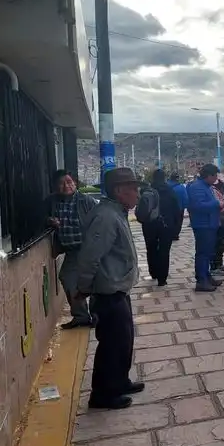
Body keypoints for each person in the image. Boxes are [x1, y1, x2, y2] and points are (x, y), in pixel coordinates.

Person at [77, 168, 143, 410]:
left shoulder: (117, 212)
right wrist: (84, 287)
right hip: (108, 291)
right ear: (119, 191)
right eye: (133, 189)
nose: (138, 194)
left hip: (119, 288)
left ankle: (120, 381)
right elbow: (90, 256)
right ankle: (103, 394)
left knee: (124, 340)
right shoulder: (106, 216)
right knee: (112, 343)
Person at [45, 169, 97, 329]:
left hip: (88, 249)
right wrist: (50, 221)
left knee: (95, 281)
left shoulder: (86, 201)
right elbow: (40, 217)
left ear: (75, 183)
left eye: (69, 182)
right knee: (67, 278)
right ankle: (81, 316)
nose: (66, 185)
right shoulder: (52, 201)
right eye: (61, 183)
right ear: (55, 186)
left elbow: (99, 220)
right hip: (71, 251)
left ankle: (97, 316)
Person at [187, 164, 224, 292]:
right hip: (203, 225)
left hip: (210, 224)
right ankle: (201, 280)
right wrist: (217, 203)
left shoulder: (207, 187)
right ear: (209, 175)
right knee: (203, 254)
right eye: (215, 176)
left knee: (208, 253)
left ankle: (207, 276)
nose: (216, 179)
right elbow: (197, 206)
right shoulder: (197, 187)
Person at [144, 169, 181, 286]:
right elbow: (177, 209)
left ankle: (153, 272)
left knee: (151, 248)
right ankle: (162, 278)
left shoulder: (147, 190)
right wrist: (176, 227)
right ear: (164, 178)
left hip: (149, 224)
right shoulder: (169, 190)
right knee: (164, 250)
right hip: (166, 224)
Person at [168, 173, 188, 241]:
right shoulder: (181, 187)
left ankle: (169, 234)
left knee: (170, 221)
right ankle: (175, 235)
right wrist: (185, 206)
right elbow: (185, 198)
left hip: (169, 208)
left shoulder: (166, 186)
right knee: (178, 222)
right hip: (179, 208)